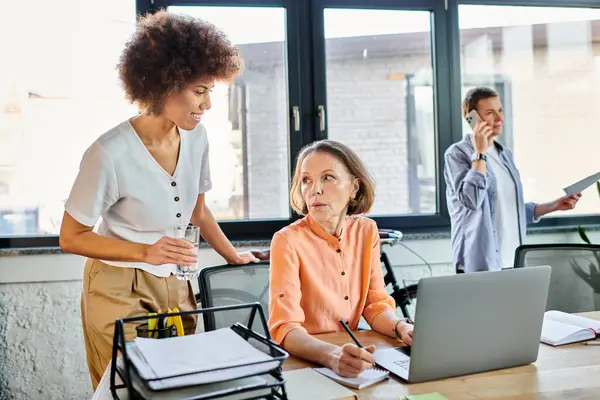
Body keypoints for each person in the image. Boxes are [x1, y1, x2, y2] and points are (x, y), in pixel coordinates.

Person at [59, 11, 258, 389]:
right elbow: (71, 236)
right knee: (132, 389)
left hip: (176, 283)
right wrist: (147, 252)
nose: (207, 105)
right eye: (200, 91)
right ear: (164, 84)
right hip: (117, 285)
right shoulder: (109, 153)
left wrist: (233, 256)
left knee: (181, 386)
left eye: (210, 92)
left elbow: (198, 211)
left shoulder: (197, 138)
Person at [268, 140, 413, 378]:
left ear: (354, 188)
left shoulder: (367, 231)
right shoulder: (287, 241)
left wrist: (401, 327)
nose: (315, 189)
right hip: (308, 363)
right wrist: (332, 355)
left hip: (353, 358)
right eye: (306, 180)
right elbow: (285, 328)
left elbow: (374, 305)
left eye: (328, 177)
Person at [444, 87, 580, 273]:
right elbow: (471, 201)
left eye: (500, 111)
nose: (500, 119)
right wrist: (480, 153)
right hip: (479, 264)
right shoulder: (457, 154)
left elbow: (507, 210)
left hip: (512, 261)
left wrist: (554, 205)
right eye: (490, 113)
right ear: (472, 118)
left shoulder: (504, 154)